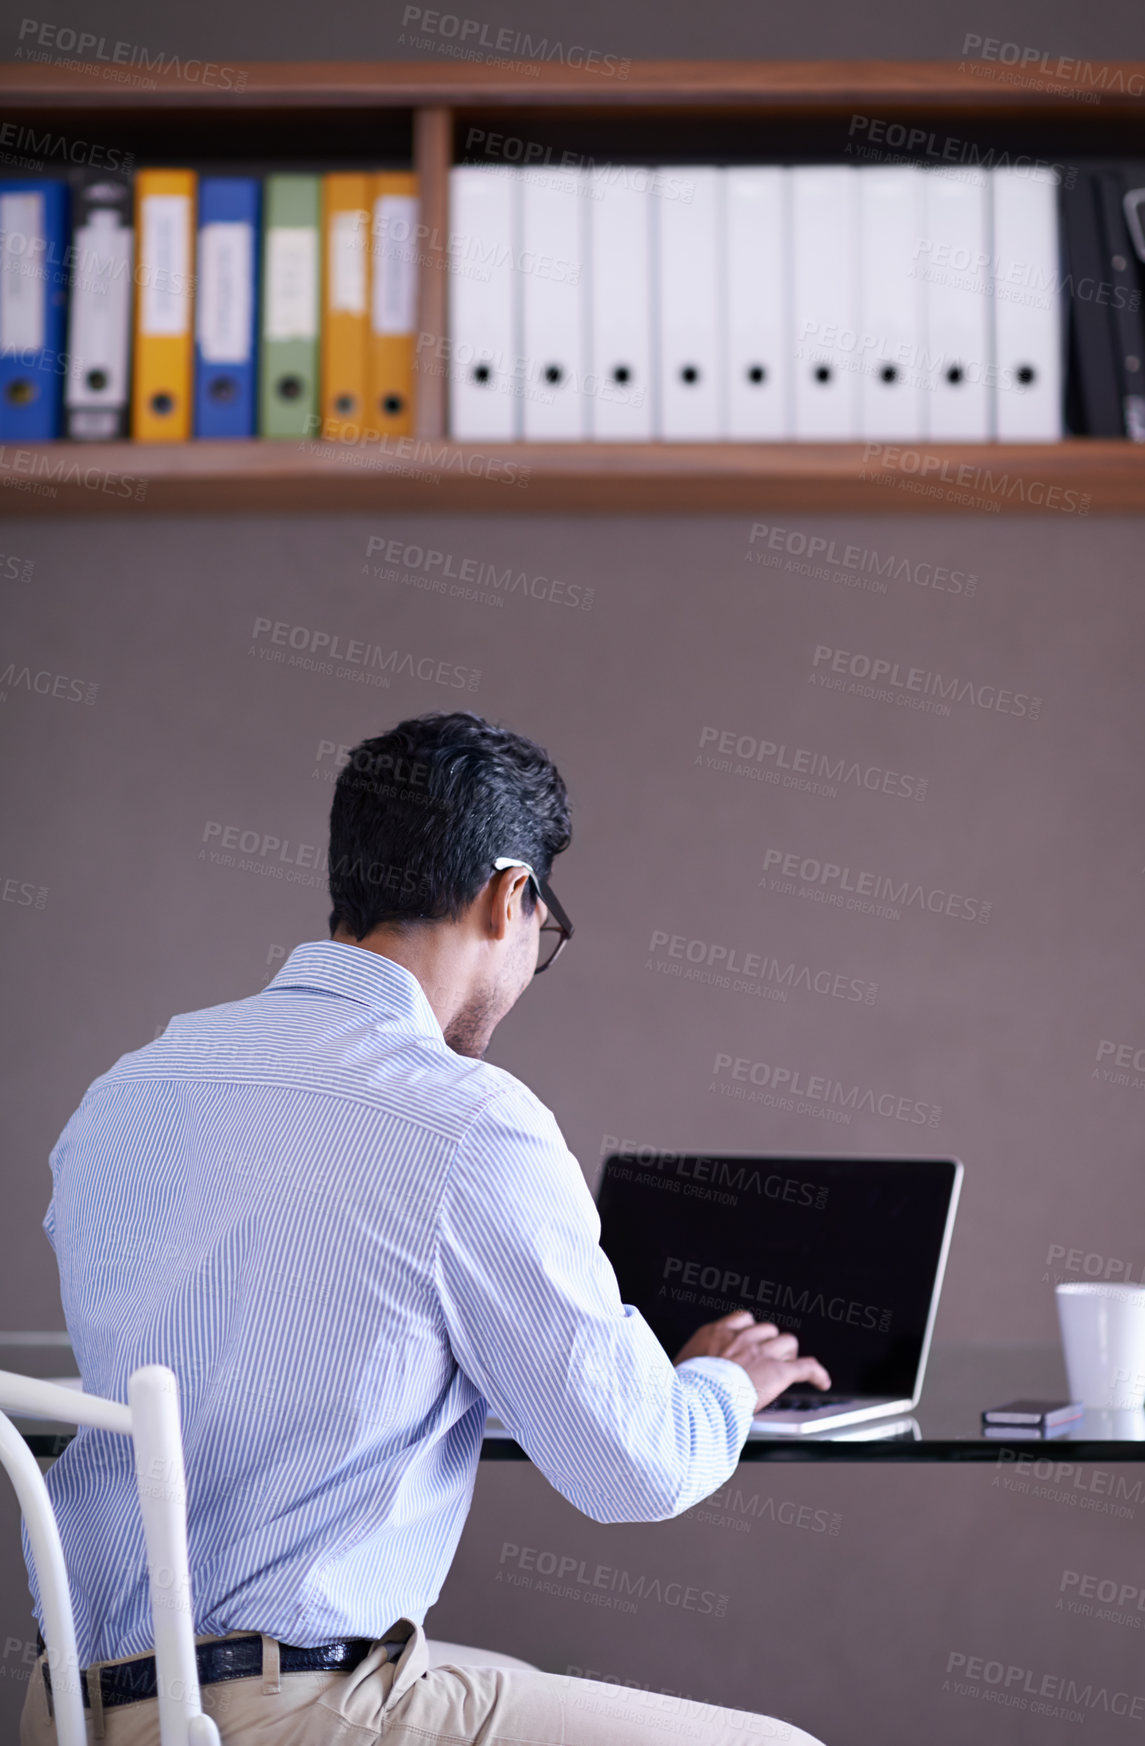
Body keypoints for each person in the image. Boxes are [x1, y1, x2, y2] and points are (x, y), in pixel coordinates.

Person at [21, 711, 832, 1746]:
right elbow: (635, 1468)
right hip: (270, 1717)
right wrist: (721, 1379)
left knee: (499, 1675)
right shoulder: (466, 1122)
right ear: (512, 897)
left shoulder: (129, 1091)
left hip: (72, 1707)